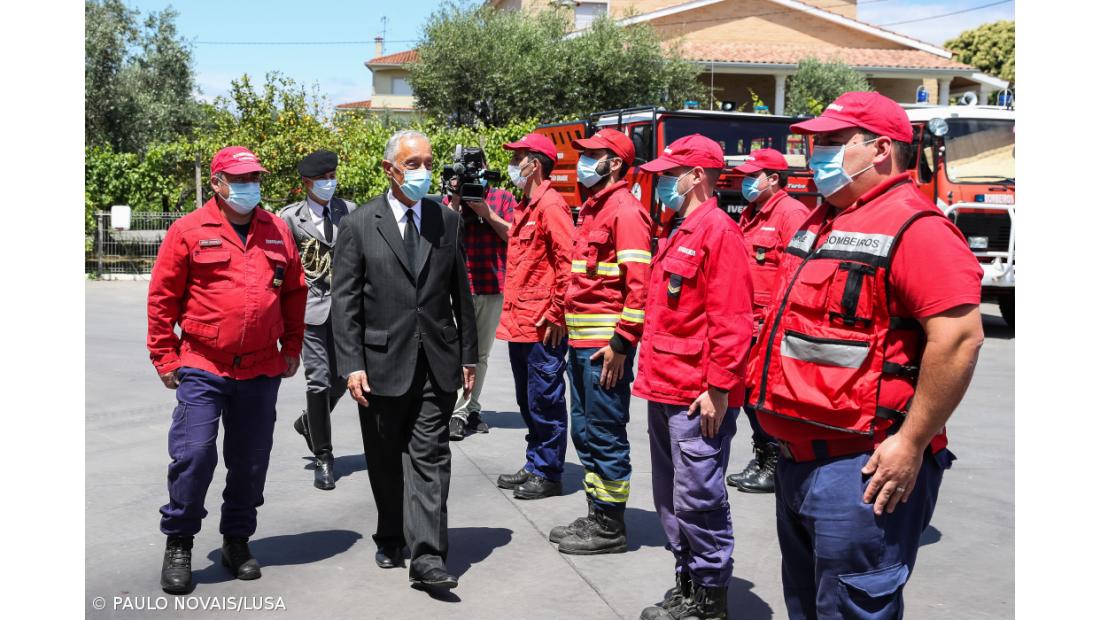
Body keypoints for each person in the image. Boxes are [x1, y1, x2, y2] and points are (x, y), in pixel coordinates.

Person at [748, 91, 984, 619]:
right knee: (809, 607)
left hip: (862, 468)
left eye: (832, 142)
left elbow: (960, 338)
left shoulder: (916, 228)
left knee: (854, 608)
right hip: (798, 460)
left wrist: (911, 442)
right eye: (815, 143)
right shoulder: (821, 219)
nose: (816, 155)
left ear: (880, 149)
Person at [147, 146, 306, 594]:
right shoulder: (189, 230)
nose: (249, 186)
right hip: (202, 364)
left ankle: (237, 539)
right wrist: (164, 355)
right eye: (240, 179)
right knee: (194, 454)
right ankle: (179, 541)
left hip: (260, 368)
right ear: (216, 183)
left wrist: (292, 345)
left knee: (251, 461)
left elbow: (295, 292)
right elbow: (162, 298)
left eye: (255, 178)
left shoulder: (276, 230)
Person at [331, 129, 477, 592]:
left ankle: (428, 555)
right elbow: (345, 302)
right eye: (413, 164)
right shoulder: (358, 224)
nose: (424, 172)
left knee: (431, 456)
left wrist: (469, 356)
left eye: (428, 162)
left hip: (437, 359)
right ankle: (391, 531)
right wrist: (351, 363)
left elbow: (461, 293)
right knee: (383, 458)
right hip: (378, 366)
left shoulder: (445, 221)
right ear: (389, 170)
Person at [633, 135, 755, 620]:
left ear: (697, 175)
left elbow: (732, 319)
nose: (663, 181)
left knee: (699, 494)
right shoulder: (680, 227)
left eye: (670, 173)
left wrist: (719, 389)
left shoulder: (718, 232)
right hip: (665, 384)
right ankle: (687, 579)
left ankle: (709, 596)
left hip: (698, 394)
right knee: (671, 496)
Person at [550, 128, 652, 555]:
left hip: (605, 348)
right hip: (582, 343)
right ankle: (597, 511)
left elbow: (639, 287)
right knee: (585, 430)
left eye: (593, 155)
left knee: (605, 432)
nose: (583, 162)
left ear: (615, 163)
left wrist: (622, 343)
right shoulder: (593, 209)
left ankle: (610, 526)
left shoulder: (625, 212)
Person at [492, 133, 574, 500]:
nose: (513, 165)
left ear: (534, 164)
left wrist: (557, 314)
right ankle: (535, 461)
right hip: (521, 323)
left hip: (543, 326)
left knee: (545, 400)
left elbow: (567, 263)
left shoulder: (551, 205)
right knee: (528, 401)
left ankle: (549, 472)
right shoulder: (526, 205)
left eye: (518, 158)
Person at [725, 149, 810, 494]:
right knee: (748, 397)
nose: (745, 181)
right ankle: (763, 456)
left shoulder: (792, 214)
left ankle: (774, 461)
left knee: (763, 398)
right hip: (747, 323)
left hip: (771, 327)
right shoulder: (751, 214)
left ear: (773, 178)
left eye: (752, 175)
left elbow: (799, 274)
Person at [280, 149, 356, 491]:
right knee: (319, 381)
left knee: (344, 379)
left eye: (332, 176)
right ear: (307, 183)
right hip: (310, 310)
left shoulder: (349, 211)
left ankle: (310, 420)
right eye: (323, 178)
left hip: (346, 310)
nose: (330, 182)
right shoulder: (290, 219)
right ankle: (324, 457)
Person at [442, 162, 516, 441]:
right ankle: (458, 412)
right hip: (456, 287)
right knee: (456, 352)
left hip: (490, 285)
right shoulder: (451, 198)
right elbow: (442, 235)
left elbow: (513, 235)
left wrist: (488, 213)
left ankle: (469, 408)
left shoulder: (502, 198)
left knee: (480, 354)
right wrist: (457, 200)